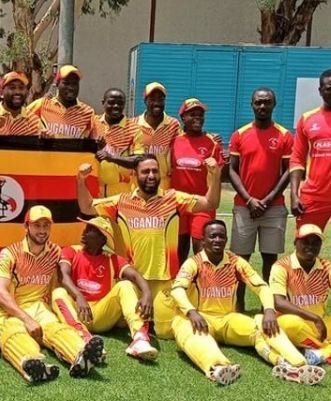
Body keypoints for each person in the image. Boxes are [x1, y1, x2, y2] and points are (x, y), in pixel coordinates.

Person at [77, 153, 221, 339]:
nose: (151, 175)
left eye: (155, 171)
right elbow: (87, 207)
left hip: (164, 281)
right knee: (122, 322)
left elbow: (210, 203)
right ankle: (140, 332)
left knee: (164, 332)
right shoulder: (121, 202)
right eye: (145, 172)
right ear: (135, 175)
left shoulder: (173, 199)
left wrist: (215, 175)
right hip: (134, 281)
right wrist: (81, 180)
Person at [171, 220, 326, 386]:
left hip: (227, 319)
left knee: (262, 329)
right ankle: (218, 368)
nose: (217, 240)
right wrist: (191, 312)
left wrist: (269, 310)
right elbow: (177, 290)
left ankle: (292, 365)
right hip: (200, 317)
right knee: (193, 333)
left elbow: (261, 287)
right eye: (212, 236)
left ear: (226, 239)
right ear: (203, 240)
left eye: (221, 236)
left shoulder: (235, 262)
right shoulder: (193, 263)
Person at [0, 205, 104, 382]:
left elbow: (77, 262)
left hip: (41, 308)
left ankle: (81, 355)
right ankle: (34, 363)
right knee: (14, 334)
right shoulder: (10, 254)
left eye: (46, 225)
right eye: (37, 225)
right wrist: (27, 319)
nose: (42, 230)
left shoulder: (55, 252)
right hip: (12, 311)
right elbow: (0, 293)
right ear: (26, 226)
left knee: (56, 329)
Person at [51, 216, 158, 361]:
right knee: (58, 292)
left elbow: (135, 276)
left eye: (91, 229)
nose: (85, 231)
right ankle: (83, 339)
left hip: (102, 315)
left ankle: (140, 339)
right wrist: (79, 296)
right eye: (87, 227)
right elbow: (63, 276)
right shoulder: (71, 251)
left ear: (102, 239)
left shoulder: (112, 259)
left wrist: (147, 293)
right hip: (78, 311)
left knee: (125, 285)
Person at [229, 88, 293, 312]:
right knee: (241, 260)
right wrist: (249, 200)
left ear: (274, 104)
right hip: (244, 207)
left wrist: (267, 199)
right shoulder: (239, 134)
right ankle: (239, 304)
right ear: (252, 105)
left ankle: (271, 305)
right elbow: (233, 169)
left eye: (267, 102)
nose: (262, 106)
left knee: (270, 259)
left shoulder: (284, 135)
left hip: (273, 208)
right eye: (258, 102)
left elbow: (288, 170)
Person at [270, 224, 331, 366]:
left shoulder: (327, 267)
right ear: (295, 242)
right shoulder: (282, 266)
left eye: (315, 243)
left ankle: (321, 353)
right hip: (292, 323)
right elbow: (278, 302)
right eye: (305, 241)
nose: (310, 246)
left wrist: (318, 320)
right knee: (291, 324)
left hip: (321, 325)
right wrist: (314, 318)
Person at [290, 69, 331, 248]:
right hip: (314, 197)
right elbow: (297, 159)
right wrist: (294, 195)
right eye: (330, 88)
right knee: (306, 247)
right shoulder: (307, 119)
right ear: (320, 91)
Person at [170, 98, 224, 263]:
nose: (198, 118)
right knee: (178, 250)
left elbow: (219, 174)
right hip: (178, 203)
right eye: (192, 114)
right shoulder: (174, 141)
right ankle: (179, 279)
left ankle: (203, 279)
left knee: (201, 249)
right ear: (183, 118)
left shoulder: (212, 143)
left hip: (203, 203)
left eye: (200, 115)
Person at [93, 88, 144, 196]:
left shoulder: (134, 129)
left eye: (120, 103)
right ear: (103, 103)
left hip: (121, 193)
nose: (116, 106)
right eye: (111, 102)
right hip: (95, 190)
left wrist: (111, 157)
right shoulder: (93, 123)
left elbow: (138, 160)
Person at [132, 82, 181, 190]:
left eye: (160, 99)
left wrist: (209, 137)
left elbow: (185, 142)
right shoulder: (133, 124)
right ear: (145, 101)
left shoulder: (173, 125)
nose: (157, 103)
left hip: (164, 184)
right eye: (152, 99)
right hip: (138, 183)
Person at [27, 65, 98, 139]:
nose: (71, 88)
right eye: (66, 83)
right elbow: (23, 118)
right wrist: (38, 131)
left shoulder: (88, 113)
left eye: (74, 83)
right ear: (57, 84)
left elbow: (96, 140)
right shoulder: (43, 104)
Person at [0, 72, 43, 136]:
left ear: (27, 93)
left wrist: (46, 137)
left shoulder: (33, 121)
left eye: (21, 88)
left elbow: (43, 139)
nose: (17, 92)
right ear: (1, 93)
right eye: (12, 88)